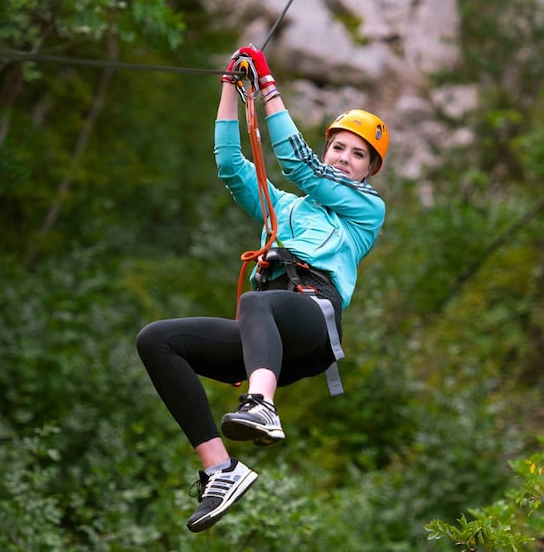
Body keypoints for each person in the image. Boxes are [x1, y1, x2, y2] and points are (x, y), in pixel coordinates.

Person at [135, 44, 389, 533]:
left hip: (312, 315)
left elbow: (301, 167)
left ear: (370, 171)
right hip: (265, 337)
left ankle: (262, 406)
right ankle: (220, 469)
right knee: (156, 340)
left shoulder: (366, 212)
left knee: (257, 302)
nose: (344, 159)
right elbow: (232, 167)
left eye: (359, 155)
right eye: (339, 146)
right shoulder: (286, 208)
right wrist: (230, 89)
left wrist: (267, 87)